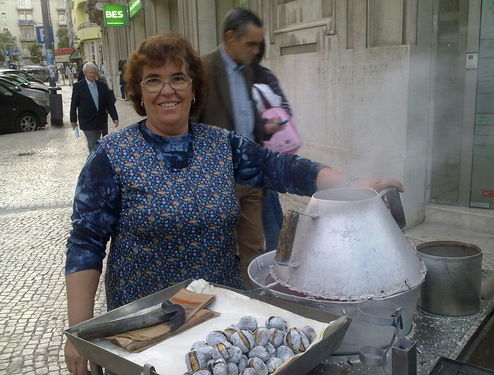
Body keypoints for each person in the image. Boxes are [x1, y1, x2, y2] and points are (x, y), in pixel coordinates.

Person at [64, 31, 403, 374]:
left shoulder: (221, 145)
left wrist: (349, 185)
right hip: (143, 330)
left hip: (217, 321)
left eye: (178, 78)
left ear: (194, 89)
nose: (168, 90)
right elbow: (85, 244)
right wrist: (78, 332)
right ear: (139, 92)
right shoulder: (112, 155)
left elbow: (282, 168)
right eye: (154, 80)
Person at [193, 8, 269, 286]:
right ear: (230, 37)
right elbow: (191, 124)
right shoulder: (202, 69)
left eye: (258, 43)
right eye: (250, 43)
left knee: (254, 248)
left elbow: (244, 115)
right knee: (216, 252)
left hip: (250, 176)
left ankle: (254, 304)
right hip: (217, 179)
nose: (256, 50)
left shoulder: (248, 70)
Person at [252, 40, 293, 252]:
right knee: (272, 205)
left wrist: (266, 125)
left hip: (258, 155)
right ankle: (282, 254)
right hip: (271, 153)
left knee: (268, 211)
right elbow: (287, 110)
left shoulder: (247, 79)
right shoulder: (265, 75)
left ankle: (276, 262)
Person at [70, 62, 119, 152]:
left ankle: (95, 161)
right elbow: (73, 104)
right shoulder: (78, 87)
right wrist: (73, 120)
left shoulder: (102, 86)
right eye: (90, 72)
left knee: (97, 142)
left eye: (94, 72)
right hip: (87, 121)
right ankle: (92, 164)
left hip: (100, 120)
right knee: (92, 143)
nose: (92, 75)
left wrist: (115, 118)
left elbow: (109, 103)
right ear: (85, 73)